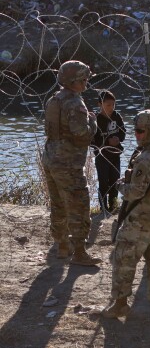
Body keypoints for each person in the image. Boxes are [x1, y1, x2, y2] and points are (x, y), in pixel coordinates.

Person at [101, 110, 150, 321]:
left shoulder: (146, 158)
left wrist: (120, 185)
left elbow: (136, 192)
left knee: (124, 257)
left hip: (144, 216)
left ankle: (120, 304)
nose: (136, 135)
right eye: (135, 130)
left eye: (140, 131)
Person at [42, 60, 101, 267]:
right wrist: (93, 122)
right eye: (82, 79)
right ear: (73, 81)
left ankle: (62, 245)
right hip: (68, 162)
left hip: (51, 158)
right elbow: (81, 135)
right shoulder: (75, 103)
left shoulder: (54, 100)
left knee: (58, 203)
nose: (86, 82)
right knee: (79, 204)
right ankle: (79, 251)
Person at [92, 90, 126, 214]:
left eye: (113, 104)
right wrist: (106, 143)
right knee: (103, 181)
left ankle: (113, 206)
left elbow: (123, 133)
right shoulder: (95, 120)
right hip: (102, 156)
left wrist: (118, 139)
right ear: (100, 105)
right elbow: (92, 141)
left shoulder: (116, 116)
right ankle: (103, 207)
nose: (111, 108)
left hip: (115, 154)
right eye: (108, 105)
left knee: (115, 181)